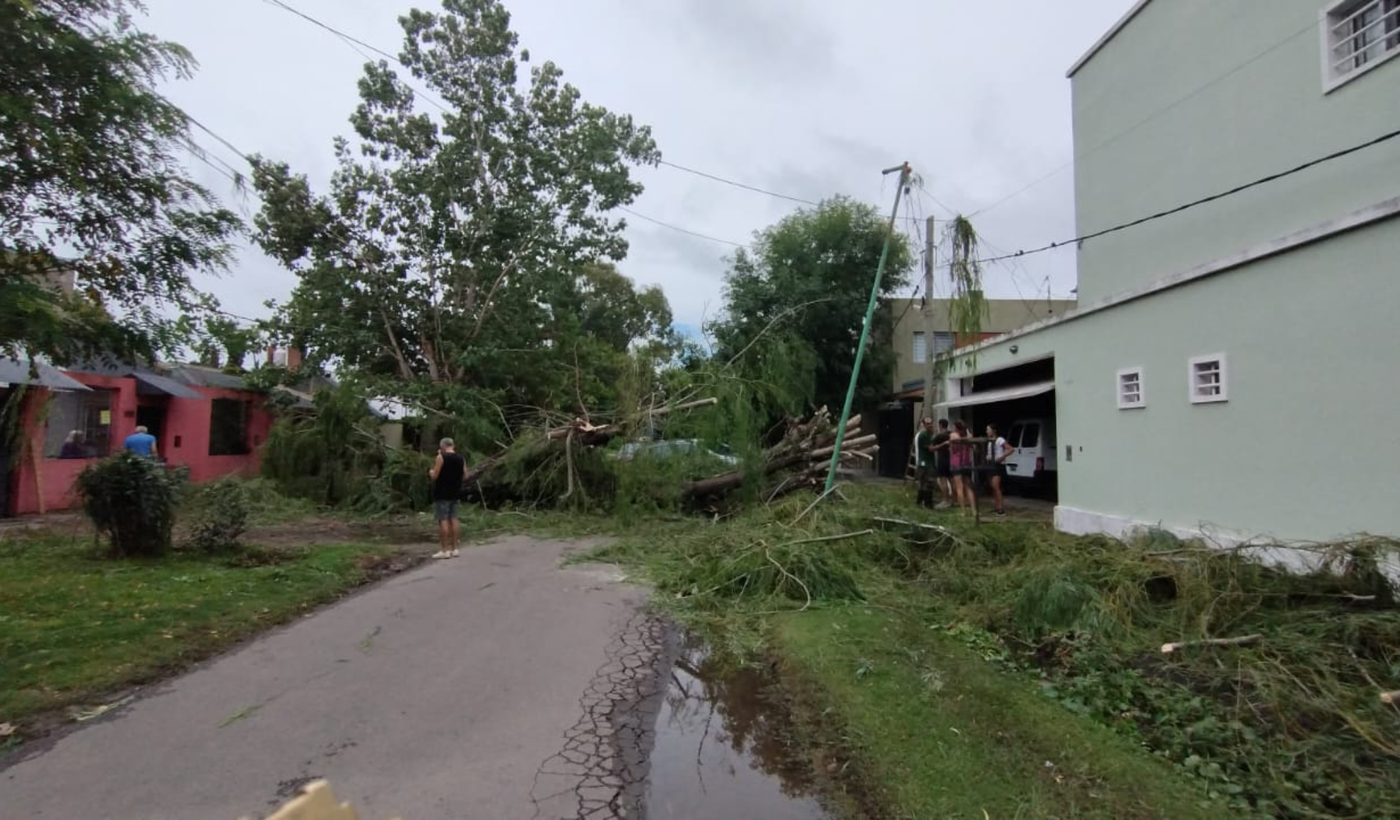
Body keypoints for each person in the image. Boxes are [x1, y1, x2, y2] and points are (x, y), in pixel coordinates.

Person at [428, 437, 466, 559]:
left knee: (443, 519)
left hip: (442, 493)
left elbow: (435, 476)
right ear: (453, 446)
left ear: (443, 446)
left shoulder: (441, 458)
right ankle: (455, 548)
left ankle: (444, 550)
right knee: (454, 518)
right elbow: (466, 474)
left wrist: (430, 472)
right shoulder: (461, 458)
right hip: (455, 492)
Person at [985, 423, 1013, 517]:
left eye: (988, 429)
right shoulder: (989, 441)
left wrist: (1002, 457)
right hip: (990, 464)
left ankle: (1001, 509)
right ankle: (996, 506)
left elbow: (1010, 449)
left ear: (993, 430)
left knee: (996, 486)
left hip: (998, 465)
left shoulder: (1000, 440)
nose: (987, 431)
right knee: (992, 486)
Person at [949, 419, 973, 513]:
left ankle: (963, 511)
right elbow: (972, 447)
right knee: (968, 487)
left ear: (955, 427)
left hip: (956, 462)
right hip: (966, 463)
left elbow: (952, 449)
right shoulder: (968, 436)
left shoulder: (953, 435)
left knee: (959, 487)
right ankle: (973, 509)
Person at [913, 417, 937, 508]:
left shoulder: (930, 434)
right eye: (927, 423)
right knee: (928, 483)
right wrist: (943, 444)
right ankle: (927, 503)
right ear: (923, 424)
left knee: (925, 484)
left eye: (930, 423)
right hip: (925, 463)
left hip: (928, 462)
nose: (929, 425)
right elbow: (931, 448)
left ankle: (920, 502)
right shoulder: (923, 435)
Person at [931, 419, 953, 509]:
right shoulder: (950, 434)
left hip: (942, 459)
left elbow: (932, 448)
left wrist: (941, 444)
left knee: (943, 481)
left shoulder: (939, 436)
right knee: (952, 481)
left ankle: (945, 500)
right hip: (950, 459)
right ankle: (953, 500)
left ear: (940, 425)